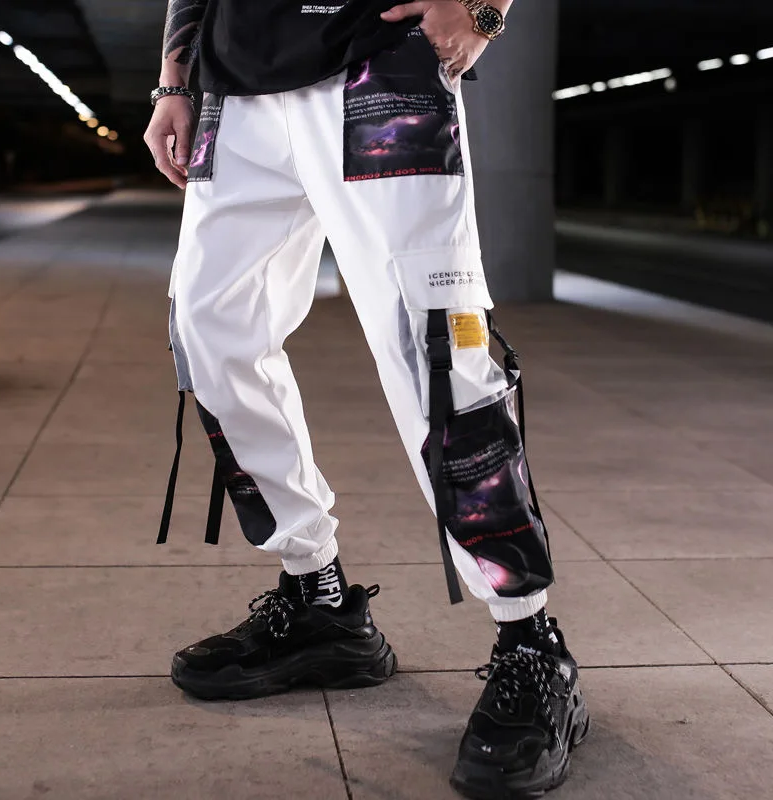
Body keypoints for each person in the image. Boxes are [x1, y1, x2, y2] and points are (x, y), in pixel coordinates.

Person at [144, 0, 589, 797]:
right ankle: (319, 599)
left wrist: (486, 7)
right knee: (208, 336)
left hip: (379, 62)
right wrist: (175, 79)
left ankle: (531, 643)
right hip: (233, 84)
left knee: (438, 357)